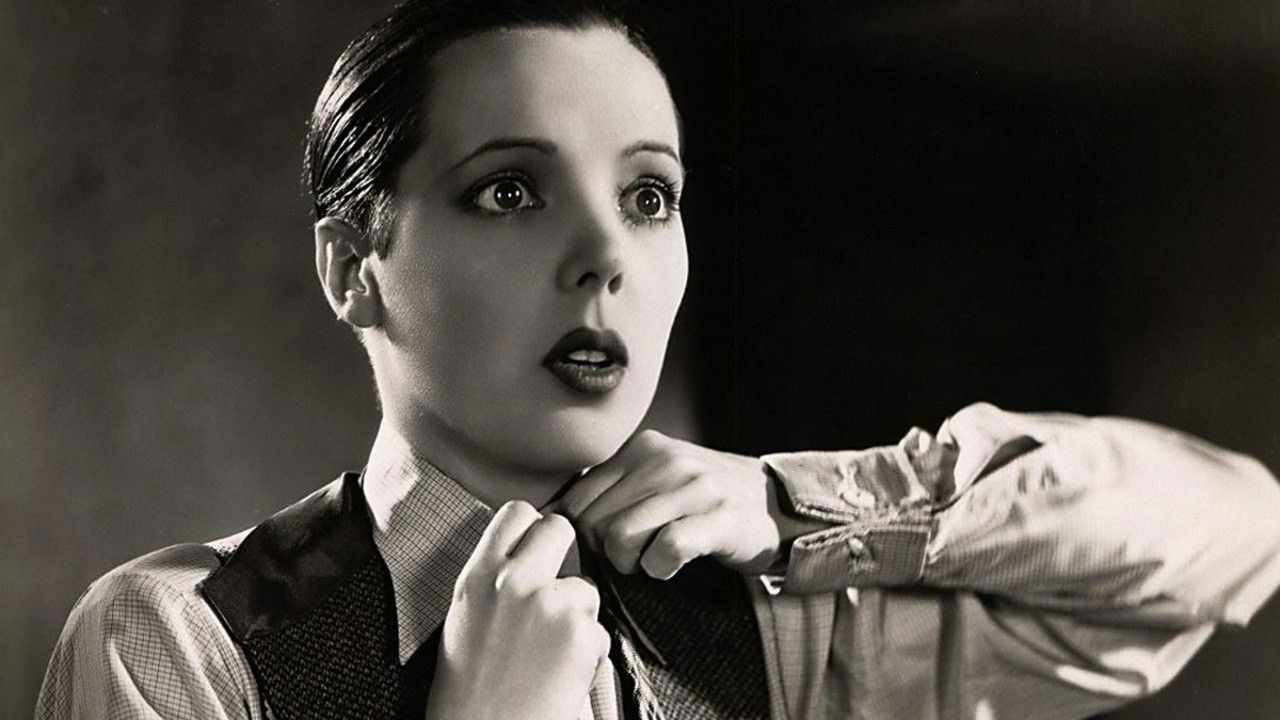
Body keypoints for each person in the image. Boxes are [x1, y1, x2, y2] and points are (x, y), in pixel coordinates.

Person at [35, 1, 1280, 718]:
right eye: (510, 190)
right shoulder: (181, 644)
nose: (603, 260)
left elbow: (1234, 534)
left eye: (646, 197)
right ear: (353, 265)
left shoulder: (765, 627)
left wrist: (796, 506)